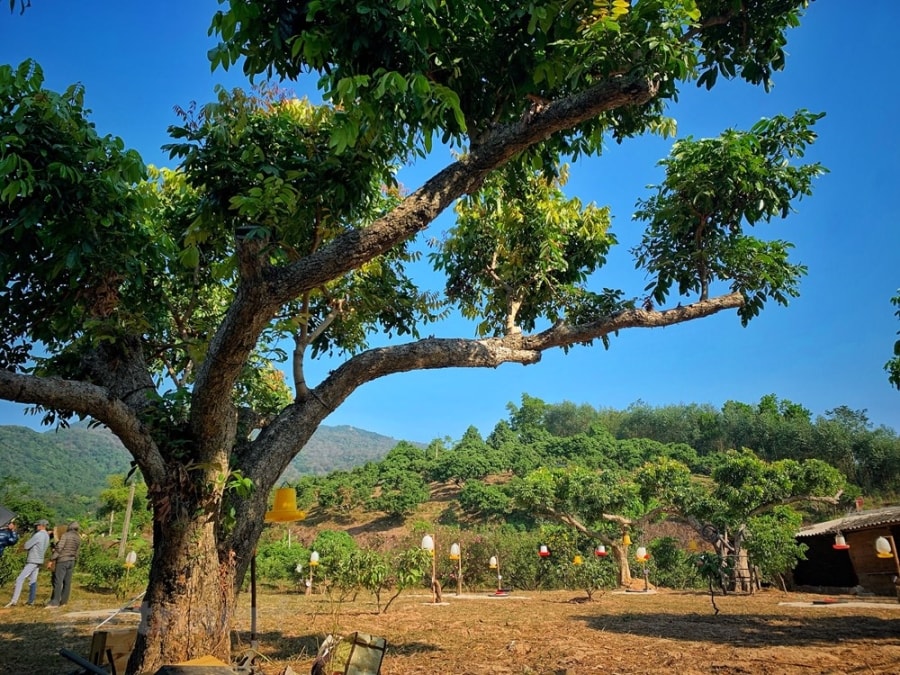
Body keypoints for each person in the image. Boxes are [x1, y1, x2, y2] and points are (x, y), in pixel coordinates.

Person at [4, 519, 51, 607]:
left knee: (19, 579)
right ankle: (31, 601)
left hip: (33, 559)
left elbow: (26, 546)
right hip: (40, 560)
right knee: (33, 581)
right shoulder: (47, 536)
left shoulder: (38, 535)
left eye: (37, 525)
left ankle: (14, 601)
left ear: (41, 525)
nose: (36, 526)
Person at [46, 521, 81, 608]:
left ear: (69, 528)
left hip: (62, 560)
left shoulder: (66, 535)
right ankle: (64, 602)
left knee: (58, 581)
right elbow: (77, 551)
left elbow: (59, 548)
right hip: (71, 561)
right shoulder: (78, 538)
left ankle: (55, 601)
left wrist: (52, 559)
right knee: (67, 582)